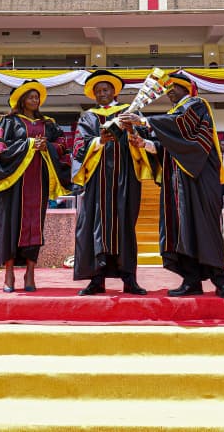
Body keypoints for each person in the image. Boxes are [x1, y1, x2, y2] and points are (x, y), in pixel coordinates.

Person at [119, 70, 224, 299]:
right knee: (182, 231)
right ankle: (191, 280)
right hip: (177, 183)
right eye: (168, 88)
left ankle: (221, 282)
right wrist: (145, 144)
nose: (170, 92)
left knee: (205, 228)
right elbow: (169, 147)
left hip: (198, 179)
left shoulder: (196, 105)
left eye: (174, 88)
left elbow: (181, 125)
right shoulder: (173, 114)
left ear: (187, 89)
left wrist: (144, 120)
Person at [0, 80, 70, 293]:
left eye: (37, 97)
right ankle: (9, 274)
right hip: (12, 182)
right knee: (9, 227)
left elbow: (62, 146)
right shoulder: (7, 122)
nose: (35, 100)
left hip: (37, 182)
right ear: (22, 100)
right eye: (30, 97)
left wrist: (46, 146)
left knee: (34, 228)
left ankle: (30, 273)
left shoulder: (49, 123)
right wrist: (30, 144)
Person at [71, 70, 152, 296]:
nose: (102, 94)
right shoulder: (88, 117)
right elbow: (78, 147)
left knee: (125, 225)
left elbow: (144, 138)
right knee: (95, 226)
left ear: (114, 91)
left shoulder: (129, 112)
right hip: (98, 181)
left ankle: (129, 279)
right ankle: (97, 279)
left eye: (105, 90)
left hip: (125, 177)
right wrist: (98, 141)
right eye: (97, 91)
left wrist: (132, 130)